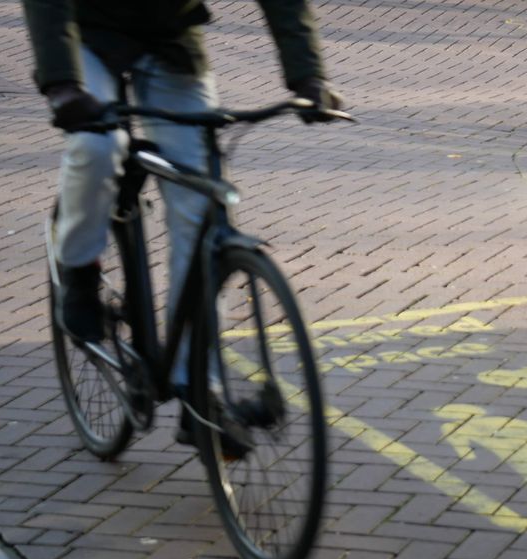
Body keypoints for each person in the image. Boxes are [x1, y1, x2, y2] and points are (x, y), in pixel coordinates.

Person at [21, 1, 342, 448]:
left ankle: (197, 388)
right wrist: (61, 84)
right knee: (97, 148)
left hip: (170, 42)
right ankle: (77, 271)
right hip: (87, 34)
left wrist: (308, 77)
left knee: (202, 203)